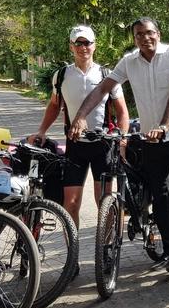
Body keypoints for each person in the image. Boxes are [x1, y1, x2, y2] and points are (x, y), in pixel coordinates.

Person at [70, 17, 169, 277]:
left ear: (158, 34)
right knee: (159, 195)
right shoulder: (129, 61)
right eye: (139, 34)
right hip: (152, 140)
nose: (145, 38)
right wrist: (81, 115)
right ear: (134, 38)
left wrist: (163, 126)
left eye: (149, 33)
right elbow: (102, 89)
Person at [30, 25, 129, 229]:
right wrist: (41, 131)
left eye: (87, 43)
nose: (83, 47)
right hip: (75, 146)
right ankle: (72, 253)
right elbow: (54, 106)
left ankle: (107, 249)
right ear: (71, 47)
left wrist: (123, 136)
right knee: (71, 204)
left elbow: (122, 111)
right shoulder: (61, 76)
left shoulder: (107, 75)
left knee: (104, 202)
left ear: (95, 46)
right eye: (78, 43)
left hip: (103, 146)